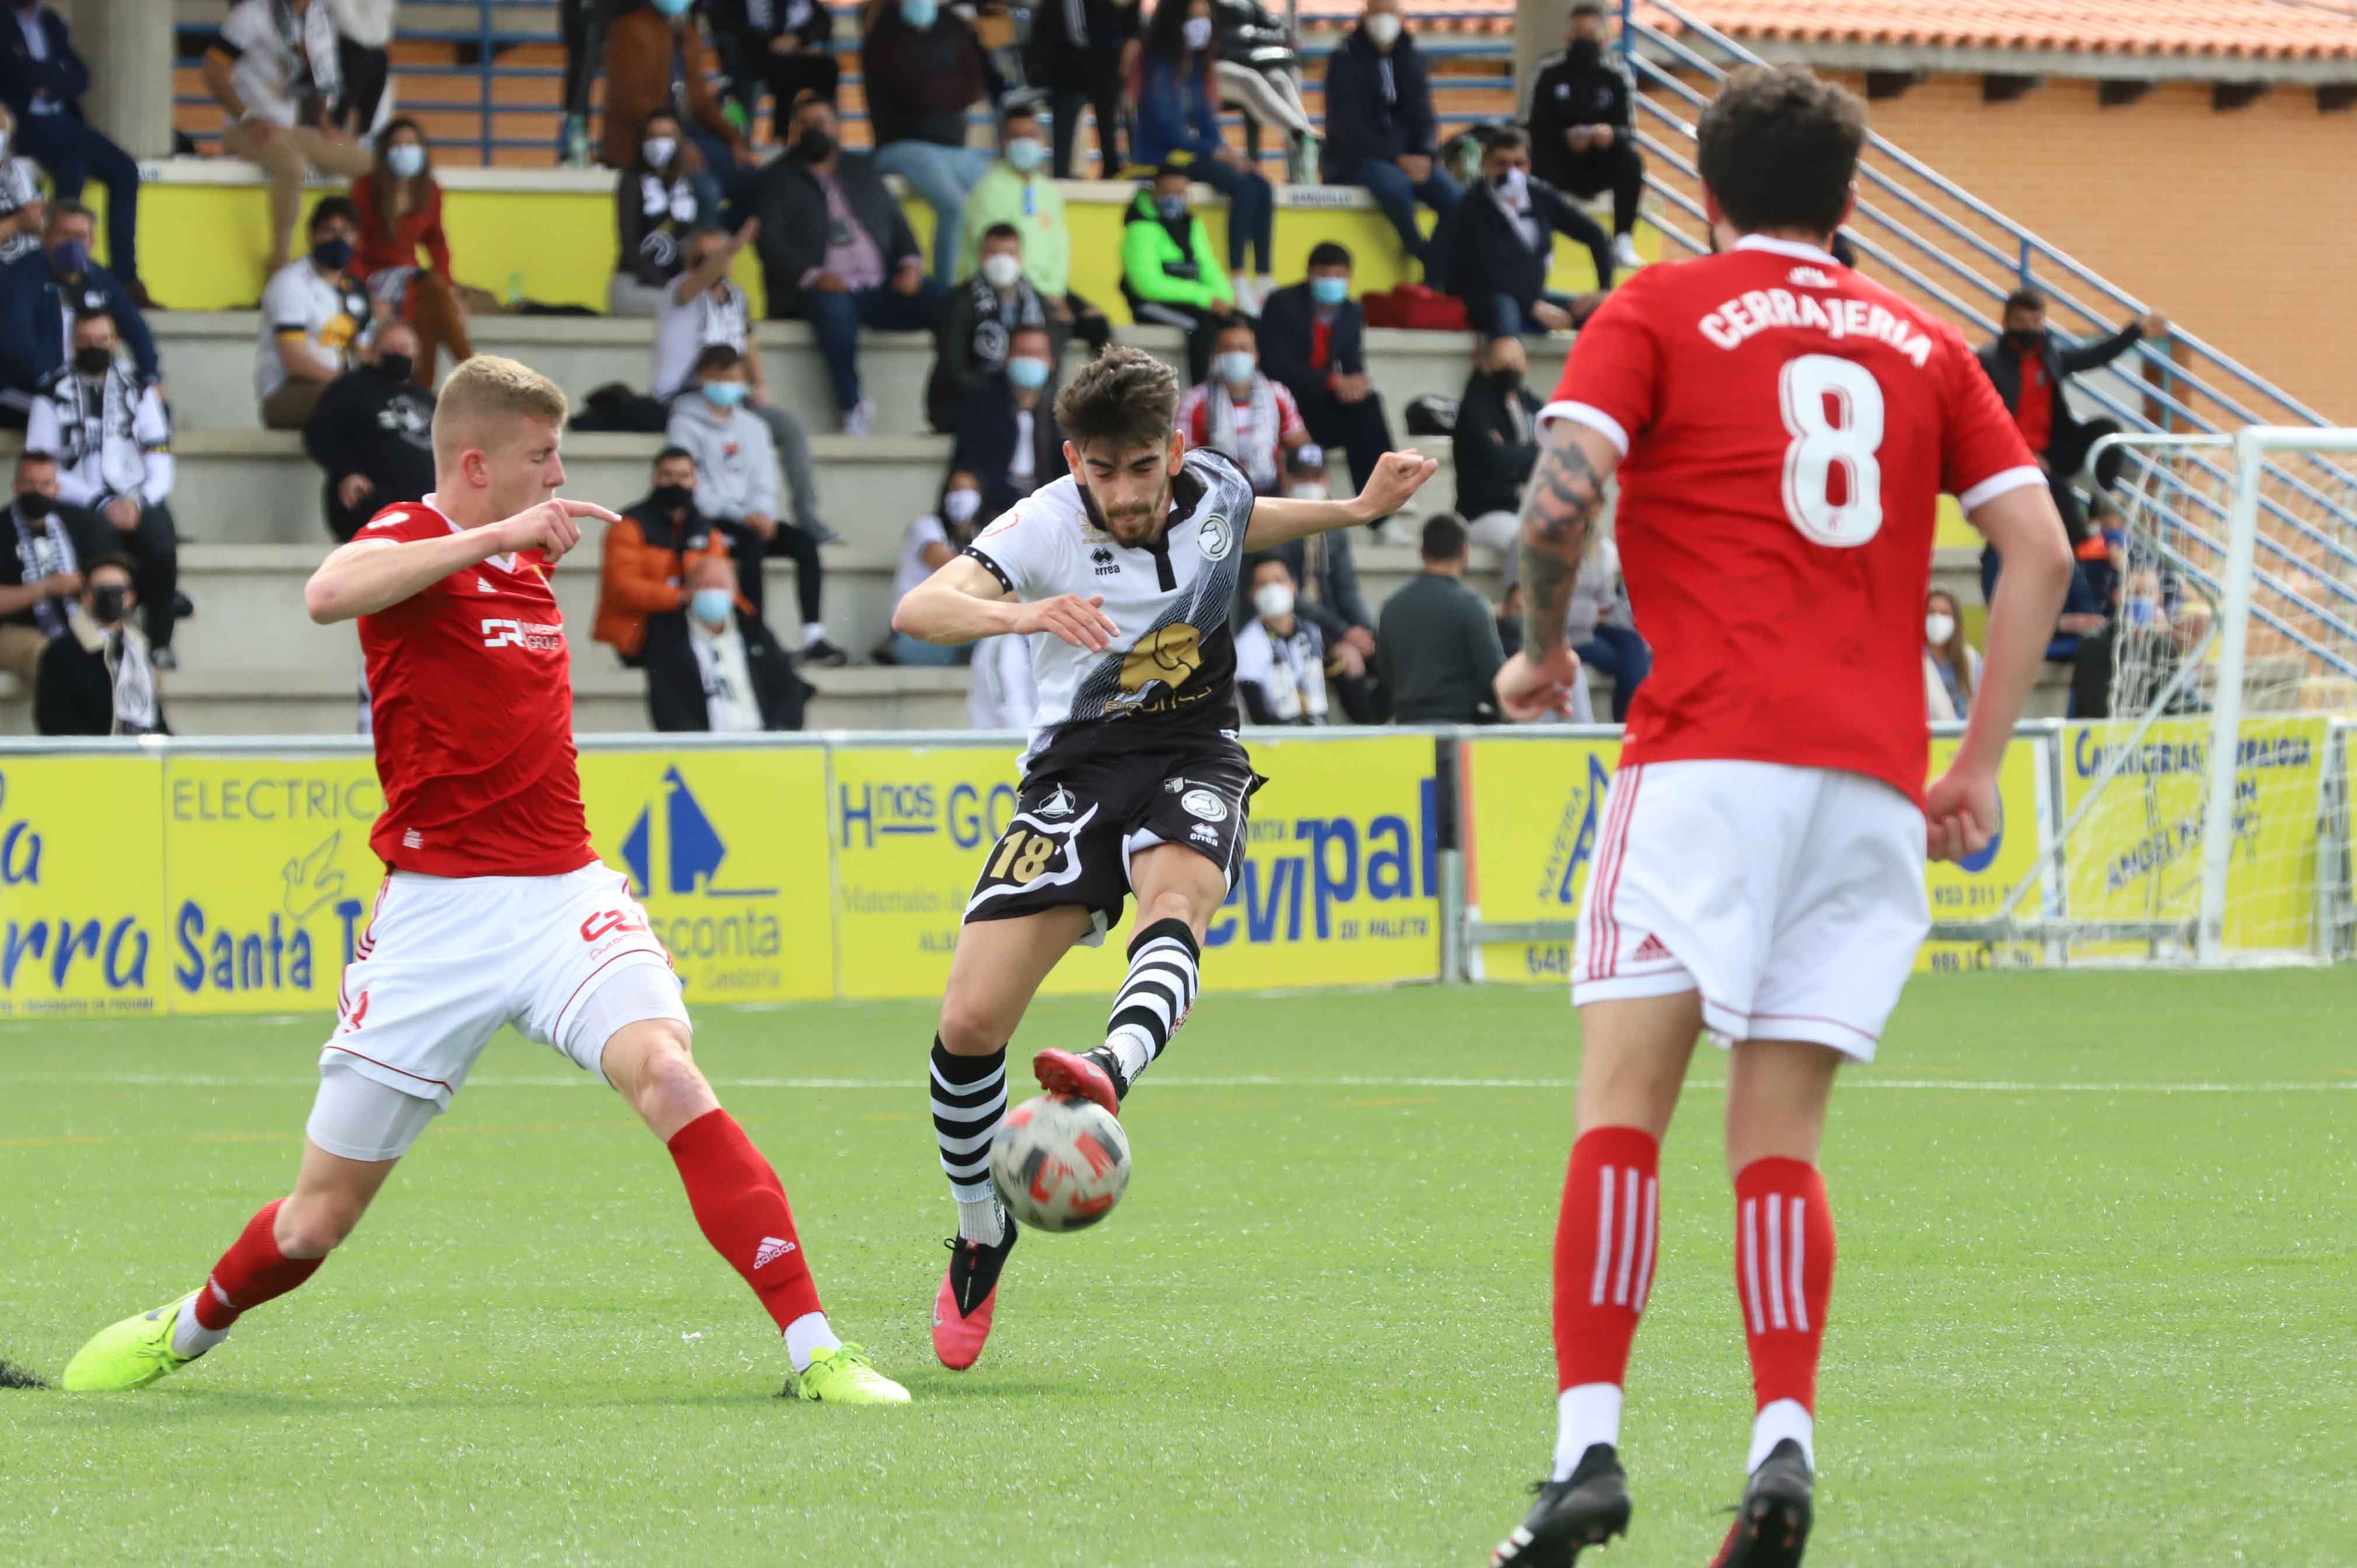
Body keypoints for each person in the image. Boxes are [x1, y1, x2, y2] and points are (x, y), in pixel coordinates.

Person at [57, 354, 907, 1406]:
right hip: (437, 916)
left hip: (561, 893)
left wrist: (596, 865)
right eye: (542, 456)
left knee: (672, 1075)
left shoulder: (523, 562)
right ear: (476, 463)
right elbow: (327, 594)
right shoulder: (419, 536)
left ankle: (816, 1348)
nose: (558, 476)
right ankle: (189, 1326)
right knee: (316, 1219)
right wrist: (494, 536)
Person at [1483, 65, 2072, 1568]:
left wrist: (1542, 646)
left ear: (1703, 189)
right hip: (1871, 782)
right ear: (1848, 201)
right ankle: (1778, 1434)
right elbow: (2039, 552)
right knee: (1777, 1138)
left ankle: (1584, 1451)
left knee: (1620, 1105)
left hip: (1702, 762)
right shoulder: (1925, 343)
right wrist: (1976, 763)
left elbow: (1558, 501)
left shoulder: (1660, 305)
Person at [890, 345, 1436, 1371]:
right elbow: (918, 611)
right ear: (1072, 458)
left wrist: (1356, 513)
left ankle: (1107, 1066)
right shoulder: (1043, 523)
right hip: (1071, 771)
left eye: (1141, 467)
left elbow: (1245, 519)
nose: (1124, 492)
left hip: (1194, 750)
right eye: (1102, 470)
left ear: (1175, 449)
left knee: (1176, 897)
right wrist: (1022, 611)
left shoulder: (1218, 483)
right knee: (966, 1025)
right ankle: (979, 1231)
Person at [748, 93, 944, 435]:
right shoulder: (776, 178)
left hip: (880, 287)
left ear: (838, 127)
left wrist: (911, 263)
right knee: (835, 314)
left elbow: (897, 223)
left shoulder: (861, 169)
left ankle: (949, 404)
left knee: (947, 300)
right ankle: (852, 407)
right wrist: (813, 276)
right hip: (819, 291)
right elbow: (770, 242)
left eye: (822, 122)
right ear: (793, 130)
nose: (815, 131)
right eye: (806, 124)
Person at [665, 343, 846, 665]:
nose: (725, 385)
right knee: (750, 546)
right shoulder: (683, 423)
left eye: (732, 377)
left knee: (804, 544)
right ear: (701, 378)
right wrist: (743, 515)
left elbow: (765, 479)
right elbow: (692, 484)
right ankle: (754, 636)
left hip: (754, 516)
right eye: (717, 377)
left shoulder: (754, 427)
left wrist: (764, 513)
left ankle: (814, 638)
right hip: (713, 518)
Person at [651, 219, 831, 540]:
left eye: (721, 254)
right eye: (707, 254)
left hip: (731, 394)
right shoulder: (680, 289)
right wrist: (735, 244)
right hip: (685, 395)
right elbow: (705, 275)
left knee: (788, 428)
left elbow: (747, 340)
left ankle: (807, 516)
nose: (716, 261)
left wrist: (760, 382)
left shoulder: (737, 296)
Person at [27, 309, 181, 665]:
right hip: (78, 501)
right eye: (85, 341)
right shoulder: (51, 392)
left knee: (160, 541)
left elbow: (160, 457)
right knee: (99, 542)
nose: (94, 347)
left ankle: (159, 641)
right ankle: (97, 643)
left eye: (103, 340)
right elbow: (44, 470)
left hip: (135, 498)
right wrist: (99, 502)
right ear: (73, 344)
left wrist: (139, 502)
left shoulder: (139, 390)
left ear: (116, 343)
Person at [1978, 285, 2166, 546]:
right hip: (2014, 458)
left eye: (2035, 322)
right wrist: (2022, 454)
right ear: (2007, 322)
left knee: (2106, 431)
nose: (2029, 330)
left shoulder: (2049, 356)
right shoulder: (1988, 362)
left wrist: (2138, 329)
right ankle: (2083, 545)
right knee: (2068, 517)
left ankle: (2099, 511)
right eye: (2021, 323)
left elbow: (2096, 355)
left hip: (2054, 451)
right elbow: (1983, 420)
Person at [204, 0, 375, 277]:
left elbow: (322, 74)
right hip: (244, 128)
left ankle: (360, 262)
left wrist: (326, 122)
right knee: (292, 166)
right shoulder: (252, 14)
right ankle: (279, 268)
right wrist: (248, 117)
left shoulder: (318, 15)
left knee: (370, 163)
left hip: (291, 130)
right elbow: (213, 71)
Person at [1130, 0, 1275, 315]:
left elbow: (1208, 125)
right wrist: (1216, 152)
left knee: (1261, 184)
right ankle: (1237, 277)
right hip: (1164, 159)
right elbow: (1166, 127)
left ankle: (1263, 276)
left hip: (1190, 155)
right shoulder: (1158, 65)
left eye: (1205, 17)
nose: (1202, 24)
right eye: (1194, 17)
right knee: (1244, 188)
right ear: (1175, 22)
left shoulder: (1197, 67)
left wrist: (1230, 154)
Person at [0, 0, 148, 305]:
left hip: (63, 120)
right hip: (25, 124)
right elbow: (13, 72)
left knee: (125, 170)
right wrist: (53, 73)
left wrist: (46, 79)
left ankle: (125, 278)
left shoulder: (50, 21)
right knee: (71, 172)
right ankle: (59, 274)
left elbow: (80, 75)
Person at [955, 103, 1114, 357]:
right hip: (1004, 287)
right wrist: (1045, 298)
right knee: (1054, 326)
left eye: (1031, 136)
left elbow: (1060, 249)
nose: (1025, 143)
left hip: (1049, 289)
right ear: (1004, 142)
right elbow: (999, 254)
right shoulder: (988, 190)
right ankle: (1048, 395)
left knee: (1098, 324)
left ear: (1041, 140)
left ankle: (1101, 396)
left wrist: (1055, 293)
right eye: (1017, 137)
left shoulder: (1049, 192)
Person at [1319, 0, 1458, 278]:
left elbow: (1423, 115)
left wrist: (1427, 155)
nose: (1384, 20)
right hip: (1354, 159)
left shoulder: (1412, 57)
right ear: (1365, 16)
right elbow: (1347, 126)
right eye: (1377, 13)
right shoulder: (1344, 59)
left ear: (1402, 17)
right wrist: (1397, 158)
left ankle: (1437, 270)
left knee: (1455, 196)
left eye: (1390, 13)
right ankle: (1421, 252)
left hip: (1409, 158)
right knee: (1395, 187)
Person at [862, 0, 996, 283]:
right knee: (954, 206)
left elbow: (975, 82)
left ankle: (980, 287)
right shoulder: (883, 34)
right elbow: (911, 88)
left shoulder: (952, 27)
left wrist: (937, 86)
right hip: (901, 146)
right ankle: (946, 293)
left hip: (952, 147)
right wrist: (947, 85)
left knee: (994, 197)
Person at [1444, 125, 1613, 340]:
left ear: (1529, 166)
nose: (1511, 172)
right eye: (1501, 164)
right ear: (1486, 165)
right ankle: (1501, 366)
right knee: (1505, 315)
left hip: (1533, 296)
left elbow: (1596, 234)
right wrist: (1532, 306)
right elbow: (1483, 271)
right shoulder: (1473, 204)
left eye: (1518, 164)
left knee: (1605, 314)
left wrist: (1604, 290)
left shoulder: (1539, 195)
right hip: (1487, 298)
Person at [0, 201, 159, 430]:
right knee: (72, 415)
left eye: (80, 236)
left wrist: (151, 377)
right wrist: (49, 382)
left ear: (92, 242)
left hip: (81, 385)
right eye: (64, 234)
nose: (72, 243)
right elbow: (16, 341)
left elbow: (136, 329)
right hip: (21, 389)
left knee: (151, 410)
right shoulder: (21, 277)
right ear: (46, 236)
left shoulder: (100, 278)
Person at [1256, 242, 1394, 498]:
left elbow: (1353, 363)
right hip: (1284, 407)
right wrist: (1332, 381)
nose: (1332, 282)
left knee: (1368, 406)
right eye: (1324, 275)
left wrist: (1356, 384)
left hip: (1322, 407)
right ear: (1310, 274)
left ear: (1349, 277)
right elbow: (1275, 366)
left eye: (1339, 276)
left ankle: (1384, 494)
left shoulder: (1352, 312)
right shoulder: (1282, 303)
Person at [1253, 445, 1379, 721]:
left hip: (1330, 623)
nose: (1310, 485)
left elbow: (1346, 587)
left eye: (1316, 477)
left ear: (1327, 480)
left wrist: (1362, 631)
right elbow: (1289, 594)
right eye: (1302, 478)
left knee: (1385, 655)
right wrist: (1342, 634)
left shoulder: (1333, 529)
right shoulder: (1275, 521)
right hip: (1288, 623)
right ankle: (1369, 734)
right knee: (1345, 662)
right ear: (1286, 478)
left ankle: (1390, 737)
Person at [352, 119, 474, 387]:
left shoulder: (430, 190)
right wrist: (365, 294)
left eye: (411, 144)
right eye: (397, 145)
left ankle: (428, 386)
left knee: (433, 300)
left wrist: (448, 286)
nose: (404, 150)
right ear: (384, 151)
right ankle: (470, 370)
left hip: (410, 277)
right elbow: (353, 249)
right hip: (374, 277)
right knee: (433, 295)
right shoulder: (364, 189)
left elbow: (437, 242)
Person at [1527, 2, 1646, 275]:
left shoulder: (1617, 74)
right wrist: (1565, 139)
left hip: (1598, 163)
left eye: (1591, 37)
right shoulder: (1547, 70)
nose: (1584, 43)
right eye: (1579, 35)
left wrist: (1610, 135)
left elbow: (1628, 130)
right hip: (1557, 161)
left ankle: (1622, 241)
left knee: (1630, 160)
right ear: (1568, 37)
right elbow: (1532, 126)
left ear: (1604, 39)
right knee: (1533, 159)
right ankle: (1542, 245)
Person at [592, 443, 730, 665]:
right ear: (655, 478)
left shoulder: (707, 531)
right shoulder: (629, 525)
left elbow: (723, 584)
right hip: (641, 631)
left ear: (695, 481)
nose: (676, 483)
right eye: (668, 475)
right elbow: (622, 588)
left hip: (695, 628)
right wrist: (680, 597)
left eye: (683, 476)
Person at [599, 0, 750, 200]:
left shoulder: (687, 34)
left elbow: (701, 103)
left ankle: (723, 233)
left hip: (689, 136)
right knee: (708, 192)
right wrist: (679, 143)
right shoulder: (629, 29)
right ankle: (701, 232)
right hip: (646, 142)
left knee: (752, 180)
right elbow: (631, 103)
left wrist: (734, 141)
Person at [304, 319, 438, 543]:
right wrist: (346, 472)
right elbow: (318, 434)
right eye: (391, 349)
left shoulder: (426, 399)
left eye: (406, 349)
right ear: (374, 352)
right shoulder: (350, 388)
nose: (400, 355)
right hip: (374, 507)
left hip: (427, 511)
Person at [644, 551, 810, 731]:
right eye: (704, 586)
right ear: (688, 592)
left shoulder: (756, 634)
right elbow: (666, 706)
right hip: (703, 752)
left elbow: (787, 688)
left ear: (733, 592)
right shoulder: (669, 642)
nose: (712, 592)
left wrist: (779, 732)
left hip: (762, 746)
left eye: (719, 585)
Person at [927, 222, 1067, 434]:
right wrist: (996, 396)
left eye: (1010, 253)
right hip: (968, 403)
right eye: (994, 253)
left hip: (1029, 404)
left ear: (1020, 258)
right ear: (981, 257)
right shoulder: (958, 301)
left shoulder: (1040, 303)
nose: (1003, 261)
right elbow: (953, 366)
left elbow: (1051, 360)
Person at [256, 196, 372, 431]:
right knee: (361, 404)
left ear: (357, 238)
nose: (338, 239)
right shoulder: (290, 282)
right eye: (329, 230)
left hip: (341, 389)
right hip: (287, 394)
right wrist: (352, 385)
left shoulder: (356, 288)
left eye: (346, 231)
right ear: (312, 235)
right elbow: (295, 361)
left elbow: (364, 351)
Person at [1376, 512, 1503, 724]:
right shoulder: (1473, 605)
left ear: (1422, 551)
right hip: (1460, 733)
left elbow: (1386, 675)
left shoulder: (1391, 606)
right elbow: (1494, 678)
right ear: (1465, 552)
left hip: (1408, 727)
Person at [1118, 161, 1231, 385]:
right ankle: (1201, 393)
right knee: (1201, 325)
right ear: (1154, 192)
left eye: (1180, 193)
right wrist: (1206, 298)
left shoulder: (1192, 224)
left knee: (1239, 322)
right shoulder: (1139, 228)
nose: (1174, 199)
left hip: (1193, 301)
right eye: (1168, 193)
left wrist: (1225, 298)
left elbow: (1207, 266)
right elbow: (1147, 285)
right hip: (1150, 305)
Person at [0, 448, 102, 689]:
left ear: (57, 489)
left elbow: (107, 576)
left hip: (77, 621)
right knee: (55, 660)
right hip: (14, 630)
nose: (38, 492)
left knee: (116, 655)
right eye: (30, 484)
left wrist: (85, 587)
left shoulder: (78, 523)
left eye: (46, 485)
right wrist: (46, 588)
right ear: (15, 487)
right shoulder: (2, 528)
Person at [32, 551, 163, 735]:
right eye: (102, 591)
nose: (111, 598)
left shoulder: (139, 649)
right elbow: (53, 722)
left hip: (141, 755)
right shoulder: (61, 653)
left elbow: (155, 717)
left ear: (131, 598)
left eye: (118, 591)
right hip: (91, 759)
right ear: (86, 597)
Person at [1174, 316, 1308, 495]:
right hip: (1215, 495)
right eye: (1228, 349)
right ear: (1216, 357)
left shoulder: (1278, 394)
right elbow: (1184, 459)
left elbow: (1301, 445)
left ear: (1256, 357)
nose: (1236, 355)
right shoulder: (1194, 401)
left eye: (1243, 349)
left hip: (1270, 491)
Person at [950, 323, 1065, 522]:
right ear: (1007, 359)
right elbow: (972, 465)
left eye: (1037, 354)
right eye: (1023, 352)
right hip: (995, 509)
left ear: (1051, 362)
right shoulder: (982, 404)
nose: (1030, 360)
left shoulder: (1062, 411)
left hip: (1047, 510)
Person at [610, 109, 705, 318]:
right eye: (653, 136)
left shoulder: (693, 181)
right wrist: (669, 286)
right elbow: (630, 247)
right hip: (636, 285)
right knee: (683, 306)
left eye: (668, 136)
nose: (660, 143)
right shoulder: (631, 182)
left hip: (682, 286)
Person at [885, 469, 984, 666]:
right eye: (956, 490)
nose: (963, 497)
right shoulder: (925, 527)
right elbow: (955, 568)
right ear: (944, 495)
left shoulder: (980, 535)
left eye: (970, 491)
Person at [1028, 0, 1137, 178]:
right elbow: (1075, 33)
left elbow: (1132, 28)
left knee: (1111, 123)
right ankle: (1062, 175)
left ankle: (1112, 170)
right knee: (1065, 133)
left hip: (1106, 69)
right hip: (1067, 71)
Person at [1455, 334, 1542, 551]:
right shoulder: (1475, 409)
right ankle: (1518, 587)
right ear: (1486, 364)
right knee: (1526, 541)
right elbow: (1495, 461)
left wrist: (1512, 453)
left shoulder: (1533, 407)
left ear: (1526, 365)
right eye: (1503, 363)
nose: (1509, 369)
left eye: (1515, 363)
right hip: (1484, 515)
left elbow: (1555, 452)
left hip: (1528, 510)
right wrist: (1534, 454)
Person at [707, 0, 838, 144]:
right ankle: (757, 142)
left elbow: (823, 22)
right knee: (734, 99)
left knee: (825, 68)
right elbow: (721, 22)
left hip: (793, 59)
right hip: (749, 59)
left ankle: (823, 138)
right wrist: (768, 43)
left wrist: (798, 38)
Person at [1234, 553, 1326, 724]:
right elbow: (1258, 714)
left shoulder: (1312, 633)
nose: (1272, 590)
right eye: (1262, 584)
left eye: (1279, 580)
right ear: (1251, 593)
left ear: (1294, 586)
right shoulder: (1245, 646)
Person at [324, 0, 395, 136]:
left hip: (373, 52)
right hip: (343, 50)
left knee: (366, 126)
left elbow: (380, 25)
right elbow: (352, 27)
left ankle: (356, 134)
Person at [1921, 586, 1979, 722]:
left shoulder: (1970, 659)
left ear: (1955, 620)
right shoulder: (1913, 662)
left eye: (1945, 613)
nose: (1937, 618)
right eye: (1931, 612)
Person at [0, 103, 44, 266]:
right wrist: (17, 222)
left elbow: (38, 222)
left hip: (34, 266)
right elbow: (24, 220)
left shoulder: (19, 170)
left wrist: (39, 221)